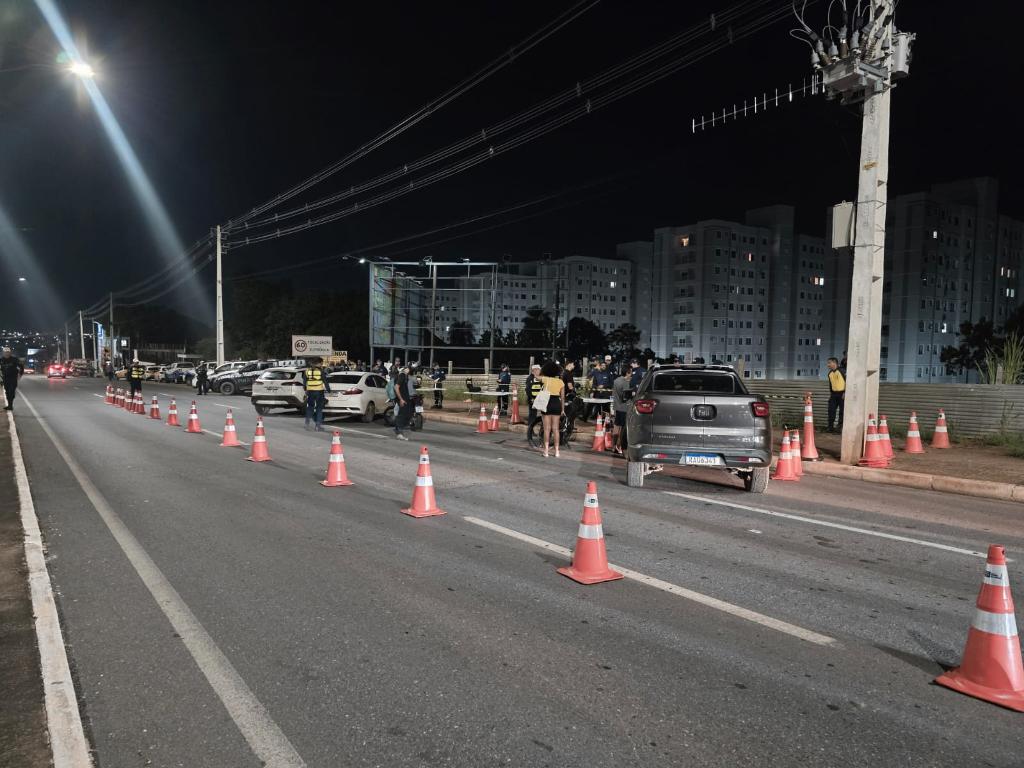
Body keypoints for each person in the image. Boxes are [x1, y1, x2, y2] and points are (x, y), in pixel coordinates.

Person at [538, 360, 565, 458]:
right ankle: (557, 451)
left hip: (547, 403)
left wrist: (540, 371)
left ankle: (546, 451)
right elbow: (562, 397)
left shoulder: (545, 379)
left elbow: (536, 377)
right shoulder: (561, 382)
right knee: (556, 429)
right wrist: (562, 409)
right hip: (557, 404)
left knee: (547, 429)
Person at [302, 356, 331, 431]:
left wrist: (306, 390)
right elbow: (325, 381)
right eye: (321, 363)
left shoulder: (307, 371)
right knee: (319, 409)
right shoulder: (321, 371)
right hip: (319, 391)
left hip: (310, 391)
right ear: (319, 363)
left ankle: (306, 424)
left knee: (310, 407)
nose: (321, 365)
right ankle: (318, 426)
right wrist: (329, 390)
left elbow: (304, 382)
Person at [611, 364, 632, 455]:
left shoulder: (616, 380)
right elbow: (625, 397)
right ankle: (619, 447)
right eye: (631, 372)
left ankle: (613, 446)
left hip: (617, 407)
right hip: (624, 408)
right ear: (627, 372)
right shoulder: (625, 382)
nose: (631, 374)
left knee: (616, 426)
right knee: (623, 429)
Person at [393, 364, 415, 440]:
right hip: (403, 399)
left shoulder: (404, 376)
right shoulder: (402, 375)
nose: (410, 371)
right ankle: (399, 433)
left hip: (405, 398)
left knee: (406, 414)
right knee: (402, 415)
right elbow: (396, 387)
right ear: (406, 369)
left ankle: (397, 430)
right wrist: (401, 399)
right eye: (410, 369)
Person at [826, 357, 846, 433]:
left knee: (842, 412)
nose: (828, 365)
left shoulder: (842, 371)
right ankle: (830, 427)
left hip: (842, 394)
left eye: (829, 363)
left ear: (834, 363)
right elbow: (831, 385)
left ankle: (839, 429)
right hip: (834, 394)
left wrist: (845, 392)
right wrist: (831, 394)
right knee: (831, 410)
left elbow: (848, 382)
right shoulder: (830, 374)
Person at [524, 363, 543, 440]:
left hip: (541, 400)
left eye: (539, 370)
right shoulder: (529, 378)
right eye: (538, 370)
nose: (539, 371)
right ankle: (530, 431)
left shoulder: (541, 378)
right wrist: (531, 398)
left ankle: (542, 431)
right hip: (532, 400)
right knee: (532, 415)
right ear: (534, 370)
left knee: (543, 415)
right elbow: (528, 390)